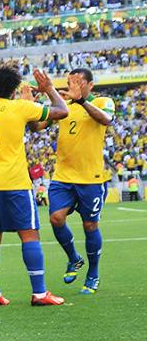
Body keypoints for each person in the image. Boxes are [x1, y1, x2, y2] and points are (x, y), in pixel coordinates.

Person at [0, 67, 68, 307]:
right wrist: (48, 89)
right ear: (12, 90)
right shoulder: (19, 107)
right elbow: (62, 111)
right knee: (29, 234)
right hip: (14, 183)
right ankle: (40, 293)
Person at [46, 69, 114, 295]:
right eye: (69, 82)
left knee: (90, 226)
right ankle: (74, 258)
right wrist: (37, 106)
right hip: (63, 176)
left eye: (77, 82)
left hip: (90, 178)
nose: (72, 85)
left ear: (89, 85)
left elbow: (106, 119)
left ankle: (93, 273)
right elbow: (38, 126)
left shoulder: (103, 101)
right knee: (56, 218)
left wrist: (82, 101)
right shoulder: (64, 106)